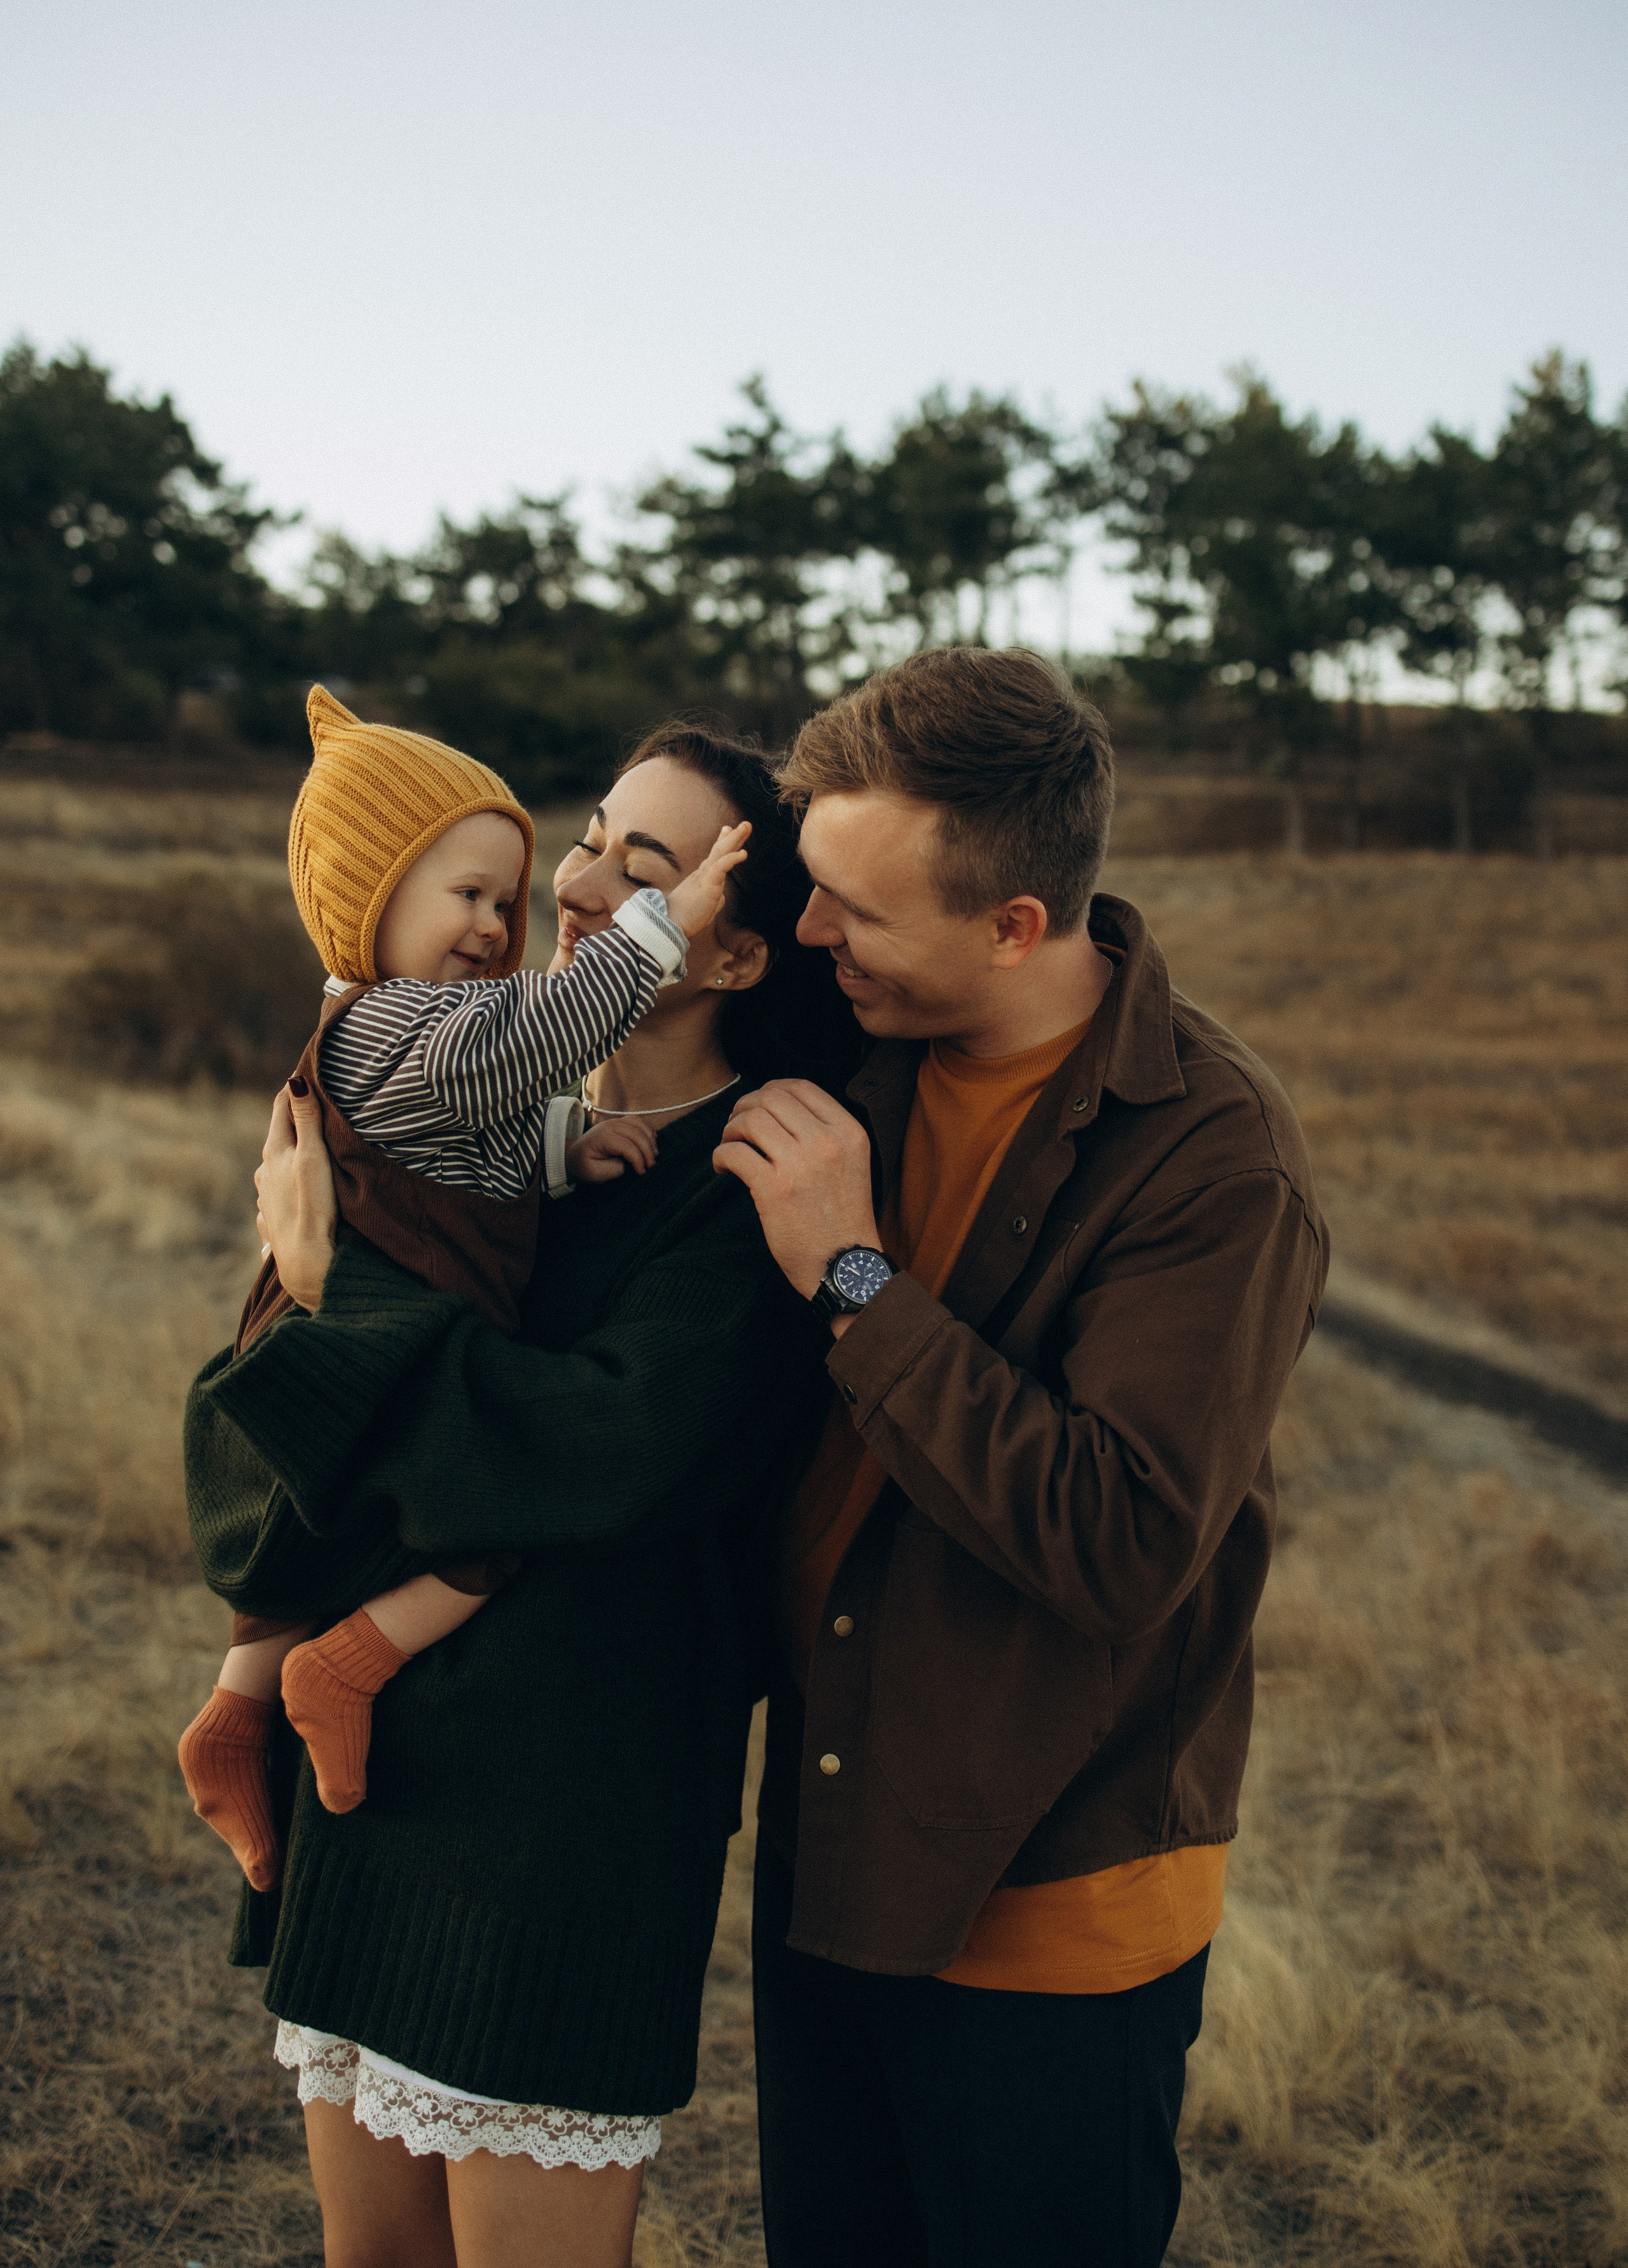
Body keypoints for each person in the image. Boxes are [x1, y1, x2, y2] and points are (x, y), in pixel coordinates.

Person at [183, 724, 854, 2268]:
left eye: (647, 867)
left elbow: (581, 1451)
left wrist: (334, 1293)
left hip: (565, 1808)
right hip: (369, 1772)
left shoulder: (751, 1181)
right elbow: (245, 1446)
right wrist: (310, 1306)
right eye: (592, 834)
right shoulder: (472, 1131)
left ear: (735, 953)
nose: (577, 882)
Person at [714, 647, 1330, 2268]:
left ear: (1013, 923)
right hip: (835, 1832)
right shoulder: (854, 1039)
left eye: (856, 905)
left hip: (1049, 1893)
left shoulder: (1213, 1158)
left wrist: (854, 1276)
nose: (810, 929)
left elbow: (1119, 1534)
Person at [179, 685, 750, 1892]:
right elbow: (537, 1038)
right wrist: (669, 919)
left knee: (328, 1522)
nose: (507, 922)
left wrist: (566, 1149)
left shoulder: (424, 1037)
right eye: (469, 896)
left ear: (748, 960)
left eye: (504, 896)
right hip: (359, 1327)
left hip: (361, 1312)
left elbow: (475, 1139)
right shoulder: (408, 1025)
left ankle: (243, 1705)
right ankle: (323, 1674)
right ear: (371, 906)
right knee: (443, 1532)